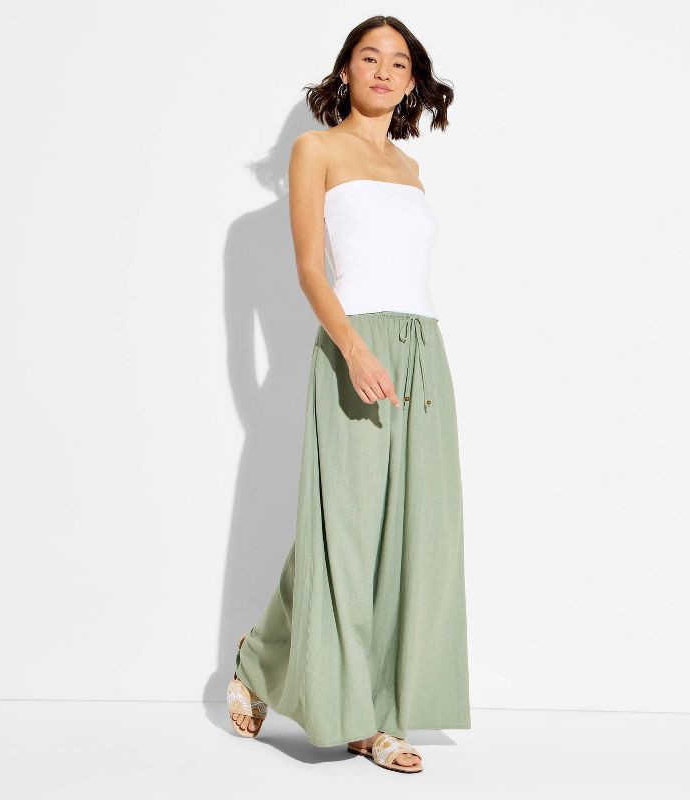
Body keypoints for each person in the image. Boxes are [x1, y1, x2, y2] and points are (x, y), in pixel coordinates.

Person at [227, 15, 471, 774]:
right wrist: (354, 349)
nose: (384, 70)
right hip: (353, 343)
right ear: (345, 70)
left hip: (423, 347)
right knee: (349, 531)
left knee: (412, 532)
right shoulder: (317, 150)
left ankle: (272, 665)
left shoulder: (410, 168)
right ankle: (360, 717)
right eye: (370, 57)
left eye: (399, 62)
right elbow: (310, 268)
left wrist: (408, 353)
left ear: (412, 80)